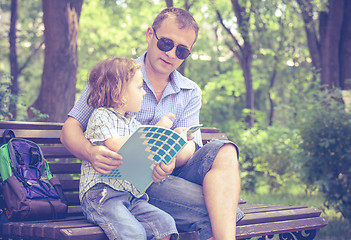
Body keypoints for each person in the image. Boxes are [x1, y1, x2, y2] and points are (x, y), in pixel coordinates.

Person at [61, 7, 244, 240]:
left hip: (169, 176)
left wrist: (171, 157)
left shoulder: (190, 91)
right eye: (166, 43)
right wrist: (90, 152)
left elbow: (191, 147)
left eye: (182, 51)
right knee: (222, 211)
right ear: (150, 35)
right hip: (127, 183)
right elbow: (69, 129)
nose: (171, 54)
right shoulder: (116, 75)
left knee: (226, 151)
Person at [80, 57, 195, 240]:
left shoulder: (132, 123)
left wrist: (176, 138)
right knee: (135, 233)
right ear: (120, 93)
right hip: (102, 195)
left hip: (131, 196)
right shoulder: (101, 116)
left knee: (165, 224)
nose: (143, 93)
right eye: (140, 87)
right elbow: (116, 145)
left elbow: (144, 146)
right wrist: (158, 130)